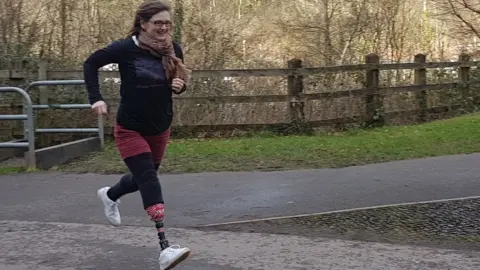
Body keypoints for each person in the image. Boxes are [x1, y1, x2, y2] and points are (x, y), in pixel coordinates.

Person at [82, 1, 192, 269]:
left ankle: (110, 195)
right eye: (158, 23)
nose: (164, 27)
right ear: (143, 24)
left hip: (160, 125)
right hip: (130, 126)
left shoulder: (173, 49)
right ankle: (165, 248)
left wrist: (180, 86)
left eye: (167, 23)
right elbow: (90, 63)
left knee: (144, 177)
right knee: (149, 179)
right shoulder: (125, 49)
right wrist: (96, 99)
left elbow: (176, 82)